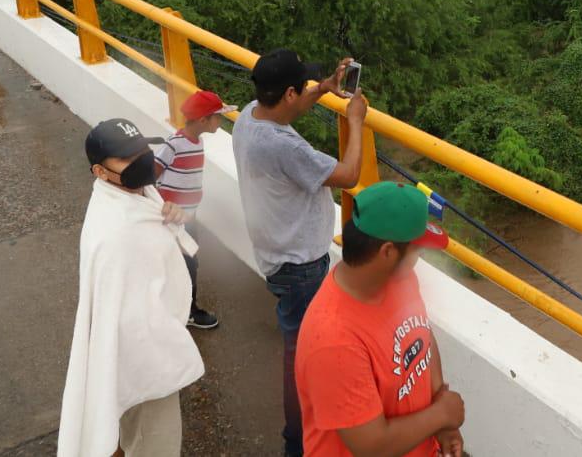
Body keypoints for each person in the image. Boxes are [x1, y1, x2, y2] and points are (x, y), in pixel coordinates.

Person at [234, 48, 367, 457]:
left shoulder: (249, 116)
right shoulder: (284, 148)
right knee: (303, 360)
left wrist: (325, 88)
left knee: (302, 349)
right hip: (299, 266)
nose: (308, 88)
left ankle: (303, 436)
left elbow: (291, 109)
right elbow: (348, 175)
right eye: (304, 85)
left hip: (276, 254)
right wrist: (356, 121)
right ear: (288, 93)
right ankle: (299, 443)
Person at [58, 118, 204, 457]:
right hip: (145, 363)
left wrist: (171, 217)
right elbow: (127, 314)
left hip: (140, 355)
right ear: (100, 171)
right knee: (155, 443)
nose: (141, 159)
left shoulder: (132, 192)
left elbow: (152, 234)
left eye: (142, 149)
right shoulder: (115, 234)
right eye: (127, 157)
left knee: (131, 433)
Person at [296, 181, 464, 457]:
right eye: (417, 251)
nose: (419, 259)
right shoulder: (333, 339)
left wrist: (441, 412)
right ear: (387, 252)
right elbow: (371, 445)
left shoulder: (398, 278)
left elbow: (422, 336)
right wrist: (441, 415)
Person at [154, 88, 236, 330]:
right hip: (173, 218)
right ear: (203, 120)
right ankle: (188, 311)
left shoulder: (197, 141)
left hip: (189, 216)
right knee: (186, 263)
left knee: (187, 261)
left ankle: (176, 305)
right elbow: (151, 173)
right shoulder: (175, 144)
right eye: (217, 116)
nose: (220, 121)